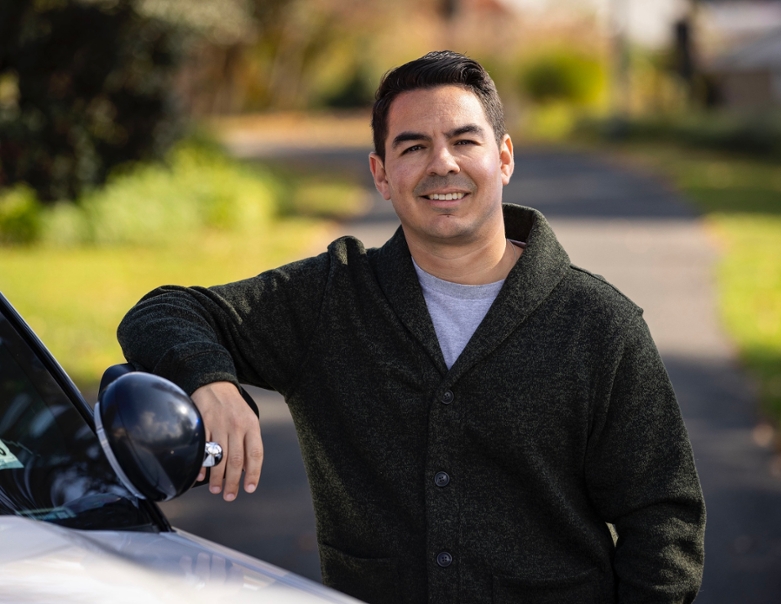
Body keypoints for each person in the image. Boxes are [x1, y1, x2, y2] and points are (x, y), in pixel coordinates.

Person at [118, 51, 705, 603]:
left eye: (463, 140)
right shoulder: (332, 298)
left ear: (503, 156)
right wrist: (210, 381)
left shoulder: (600, 325)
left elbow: (664, 522)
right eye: (413, 146)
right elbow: (161, 311)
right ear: (381, 173)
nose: (441, 163)